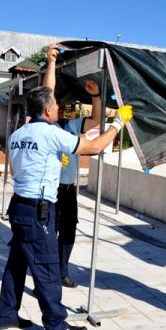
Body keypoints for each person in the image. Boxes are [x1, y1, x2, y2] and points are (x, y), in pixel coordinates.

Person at [0, 44, 133, 330]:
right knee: (46, 269)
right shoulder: (53, 133)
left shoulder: (20, 133)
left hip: (19, 206)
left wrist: (51, 62)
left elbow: (46, 92)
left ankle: (6, 315)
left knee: (16, 263)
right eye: (56, 104)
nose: (59, 106)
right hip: (38, 210)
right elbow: (94, 147)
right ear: (47, 110)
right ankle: (57, 327)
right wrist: (118, 122)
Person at [45, 64, 102, 288]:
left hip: (68, 189)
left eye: (61, 104)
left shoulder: (72, 124)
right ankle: (47, 272)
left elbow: (96, 119)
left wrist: (95, 95)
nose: (60, 107)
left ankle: (62, 271)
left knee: (68, 231)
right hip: (50, 188)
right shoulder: (45, 128)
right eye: (56, 102)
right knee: (49, 232)